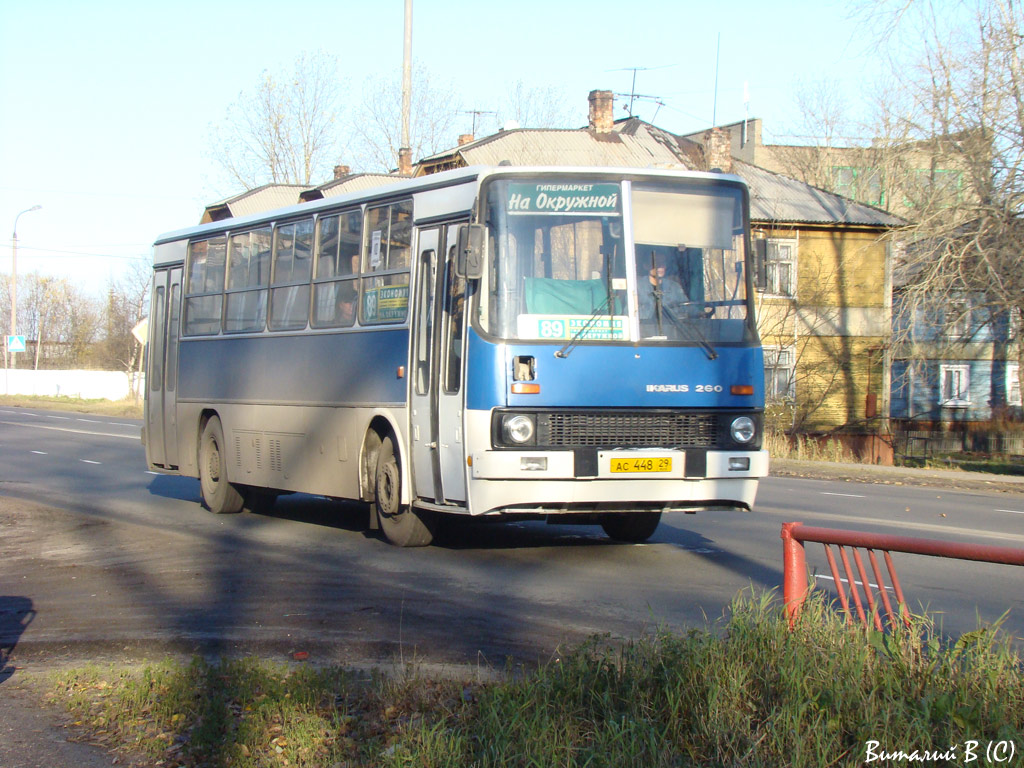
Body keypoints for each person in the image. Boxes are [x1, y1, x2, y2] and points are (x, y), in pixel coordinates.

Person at [636, 250, 694, 334]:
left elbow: (687, 308)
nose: (661, 267)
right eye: (656, 263)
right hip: (645, 333)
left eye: (663, 263)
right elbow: (630, 313)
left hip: (673, 333)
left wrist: (699, 313)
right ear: (646, 266)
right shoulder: (637, 287)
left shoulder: (674, 287)